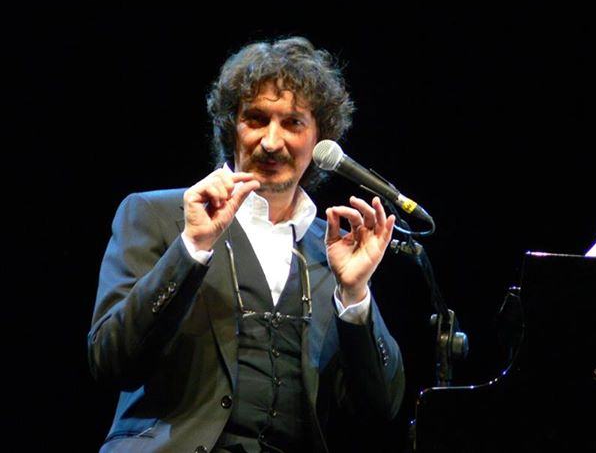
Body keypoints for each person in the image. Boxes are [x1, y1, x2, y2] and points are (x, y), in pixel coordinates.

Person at [88, 37, 405, 453]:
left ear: (320, 139)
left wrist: (355, 296)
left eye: (292, 124)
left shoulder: (333, 249)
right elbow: (111, 361)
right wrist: (191, 248)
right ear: (230, 128)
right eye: (255, 119)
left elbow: (381, 408)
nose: (271, 142)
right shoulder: (156, 215)